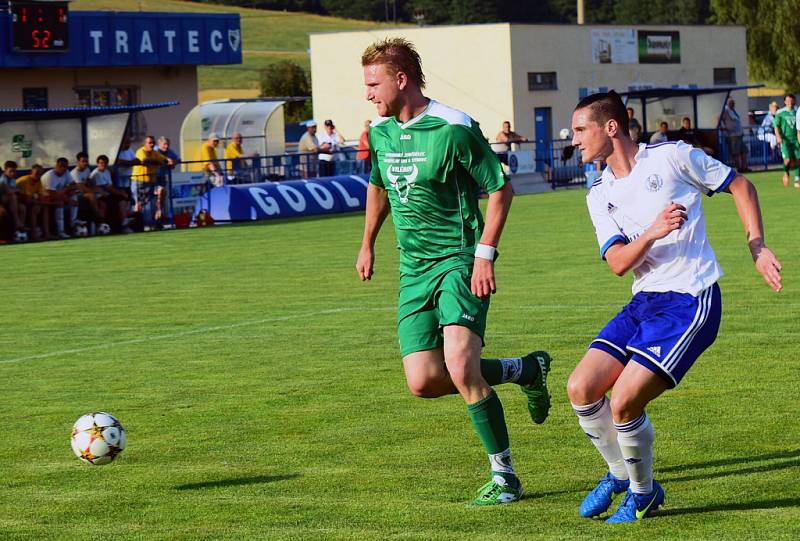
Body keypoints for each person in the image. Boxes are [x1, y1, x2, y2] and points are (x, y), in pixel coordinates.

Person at [568, 90, 782, 523]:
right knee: (581, 389)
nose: (573, 140)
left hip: (691, 299)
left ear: (610, 127)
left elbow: (740, 184)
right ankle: (619, 475)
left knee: (625, 400)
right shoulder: (598, 192)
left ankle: (644, 494)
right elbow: (617, 264)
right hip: (644, 300)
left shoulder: (672, 158)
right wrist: (652, 232)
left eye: (579, 130)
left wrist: (756, 245)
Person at [356, 37, 552, 506]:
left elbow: (500, 190)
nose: (368, 94)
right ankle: (523, 369)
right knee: (423, 381)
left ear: (401, 80)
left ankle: (505, 478)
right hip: (413, 268)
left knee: (461, 367)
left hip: (459, 259)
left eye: (373, 84)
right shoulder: (381, 133)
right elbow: (379, 187)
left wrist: (485, 254)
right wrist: (367, 243)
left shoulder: (455, 128)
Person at [131, 135, 167, 226]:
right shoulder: (140, 151)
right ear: (145, 144)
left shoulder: (155, 153)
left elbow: (165, 160)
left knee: (162, 190)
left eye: (153, 143)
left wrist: (169, 161)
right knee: (138, 205)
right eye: (149, 143)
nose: (151, 144)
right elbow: (145, 161)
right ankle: (137, 225)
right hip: (139, 182)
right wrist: (158, 162)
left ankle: (159, 213)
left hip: (151, 183)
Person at [16, 164, 52, 240]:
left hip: (27, 201)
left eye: (40, 174)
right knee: (34, 208)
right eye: (36, 174)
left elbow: (41, 197)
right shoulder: (25, 180)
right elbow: (27, 200)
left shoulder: (38, 181)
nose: (38, 176)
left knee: (43, 207)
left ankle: (47, 234)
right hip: (17, 202)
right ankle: (33, 234)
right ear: (31, 172)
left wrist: (43, 202)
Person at [41, 157, 75, 239]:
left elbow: (74, 185)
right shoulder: (50, 176)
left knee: (74, 195)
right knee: (60, 203)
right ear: (56, 166)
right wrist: (68, 199)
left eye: (65, 166)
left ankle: (74, 222)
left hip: (58, 195)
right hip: (45, 197)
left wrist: (66, 190)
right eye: (61, 166)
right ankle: (61, 231)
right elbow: (51, 193)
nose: (63, 168)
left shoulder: (66, 172)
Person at [773, 94, 800, 188]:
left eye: (791, 100)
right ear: (785, 102)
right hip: (785, 140)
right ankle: (786, 172)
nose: (790, 102)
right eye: (788, 100)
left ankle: (797, 178)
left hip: (796, 139)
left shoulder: (797, 111)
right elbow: (776, 126)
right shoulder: (781, 112)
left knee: (798, 159)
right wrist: (778, 137)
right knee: (788, 160)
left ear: (794, 101)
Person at [0, 160, 26, 241]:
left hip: (9, 202)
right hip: (3, 201)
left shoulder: (13, 180)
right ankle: (17, 221)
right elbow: (8, 191)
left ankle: (19, 230)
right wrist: (16, 190)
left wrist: (16, 191)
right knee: (12, 196)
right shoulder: (2, 179)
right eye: (10, 171)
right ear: (5, 170)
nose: (12, 173)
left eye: (14, 171)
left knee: (22, 208)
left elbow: (16, 191)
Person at [720, 98, 748, 172]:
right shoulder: (725, 110)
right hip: (732, 135)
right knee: (736, 153)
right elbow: (719, 119)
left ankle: (744, 167)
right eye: (731, 102)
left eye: (733, 102)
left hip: (739, 134)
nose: (733, 104)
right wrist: (724, 128)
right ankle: (739, 168)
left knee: (744, 151)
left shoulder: (733, 111)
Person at [155, 136, 179, 223]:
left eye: (168, 144)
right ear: (159, 144)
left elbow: (177, 159)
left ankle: (159, 216)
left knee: (163, 194)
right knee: (159, 194)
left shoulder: (169, 151)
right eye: (164, 144)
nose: (166, 146)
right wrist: (166, 160)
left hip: (162, 177)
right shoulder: (155, 150)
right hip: (152, 177)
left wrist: (173, 163)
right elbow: (156, 158)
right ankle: (157, 216)